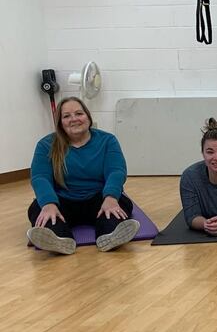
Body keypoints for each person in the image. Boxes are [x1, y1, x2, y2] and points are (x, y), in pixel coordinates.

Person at [26, 97, 140, 254]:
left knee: (117, 209)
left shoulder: (107, 140)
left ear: (88, 116)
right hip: (62, 200)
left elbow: (116, 171)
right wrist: (48, 204)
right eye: (66, 116)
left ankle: (111, 236)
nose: (74, 119)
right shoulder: (46, 144)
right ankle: (58, 240)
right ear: (60, 122)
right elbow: (39, 177)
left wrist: (111, 198)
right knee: (41, 211)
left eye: (79, 113)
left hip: (99, 198)